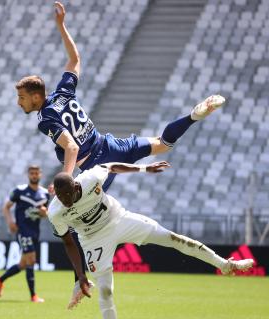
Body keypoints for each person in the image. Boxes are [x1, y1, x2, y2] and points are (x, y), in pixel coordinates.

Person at [15, 1, 225, 302]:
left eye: (22, 98)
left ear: (36, 97)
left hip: (94, 160)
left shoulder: (44, 119)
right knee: (161, 144)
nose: (20, 102)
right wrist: (62, 26)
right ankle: (192, 117)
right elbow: (75, 59)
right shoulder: (63, 91)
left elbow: (71, 146)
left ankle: (80, 280)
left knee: (70, 217)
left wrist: (68, 177)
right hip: (109, 142)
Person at [48, 162, 254, 318]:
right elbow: (68, 242)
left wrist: (145, 168)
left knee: (172, 238)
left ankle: (225, 265)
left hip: (119, 219)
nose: (65, 201)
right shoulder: (55, 211)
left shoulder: (90, 178)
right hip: (93, 239)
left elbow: (111, 166)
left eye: (67, 195)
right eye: (60, 196)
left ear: (75, 186)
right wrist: (80, 276)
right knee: (105, 289)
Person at [0, 165, 51, 303]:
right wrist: (10, 222)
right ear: (28, 175)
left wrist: (45, 213)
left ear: (40, 174)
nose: (34, 175)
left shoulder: (45, 194)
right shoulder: (19, 191)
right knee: (31, 260)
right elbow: (6, 207)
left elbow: (46, 214)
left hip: (35, 231)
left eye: (36, 173)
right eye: (32, 173)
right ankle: (33, 296)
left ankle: (0, 280)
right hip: (23, 230)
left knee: (23, 264)